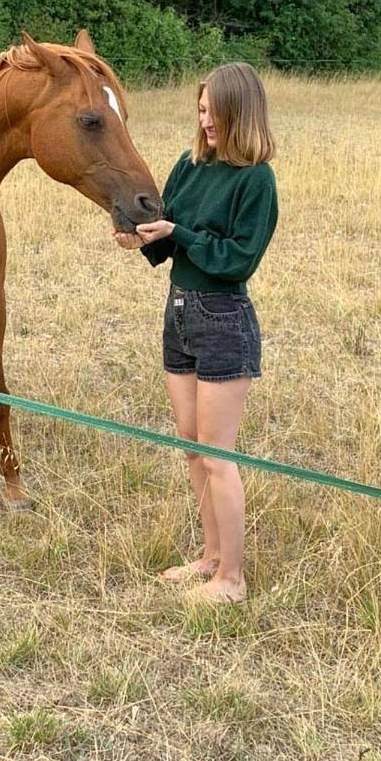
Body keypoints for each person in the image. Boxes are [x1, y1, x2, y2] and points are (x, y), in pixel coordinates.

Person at [113, 62, 277, 604]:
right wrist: (143, 239)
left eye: (213, 111)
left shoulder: (256, 180)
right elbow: (171, 235)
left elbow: (238, 259)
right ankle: (209, 556)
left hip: (223, 317)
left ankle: (232, 579)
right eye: (201, 110)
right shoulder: (189, 165)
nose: (205, 121)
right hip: (179, 312)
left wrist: (178, 232)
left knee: (216, 453)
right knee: (190, 446)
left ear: (239, 112)